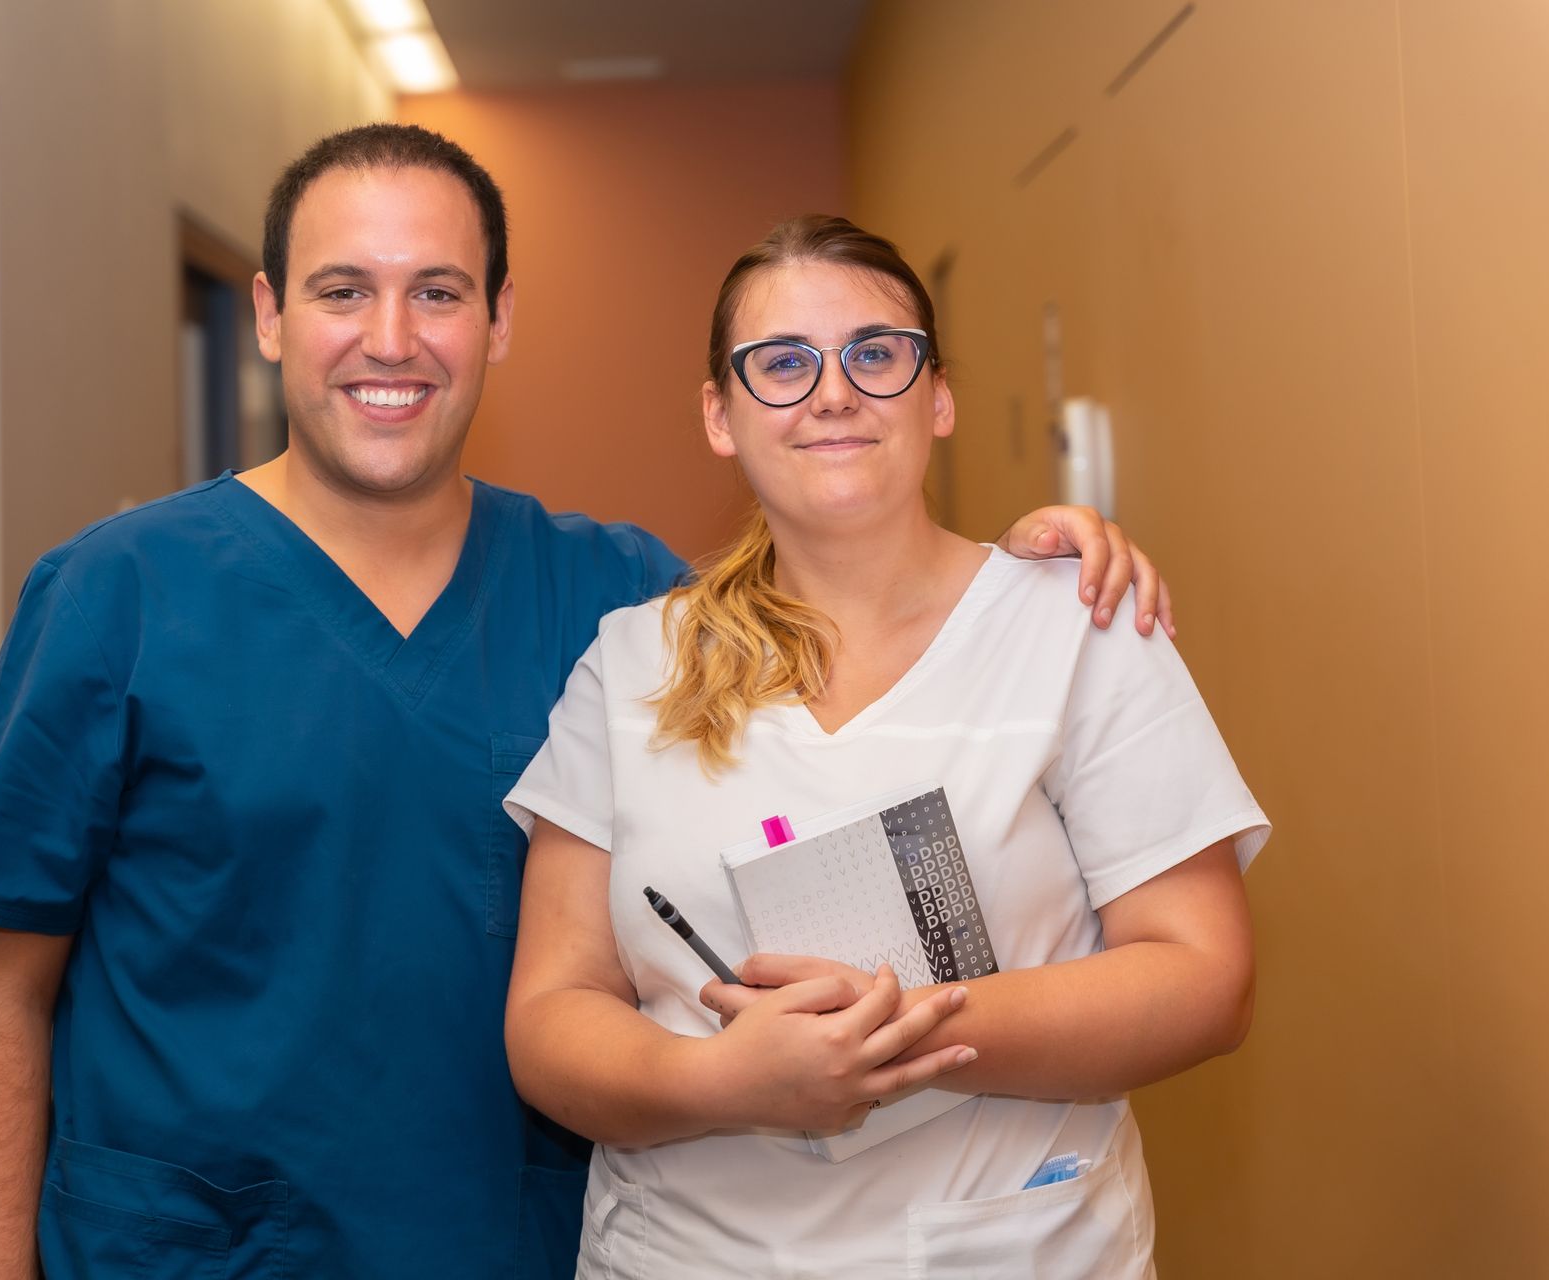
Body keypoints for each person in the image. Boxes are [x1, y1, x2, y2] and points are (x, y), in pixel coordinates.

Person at [0, 126, 1176, 1280]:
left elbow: (865, 649)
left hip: (514, 1239)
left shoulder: (622, 602)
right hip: (198, 1250)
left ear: (500, 319)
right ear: (268, 315)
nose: (392, 337)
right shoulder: (114, 594)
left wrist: (1019, 572)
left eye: (440, 292)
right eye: (342, 289)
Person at [502, 214, 1268, 1278]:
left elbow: (1205, 976)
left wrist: (899, 1030)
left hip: (1010, 1250)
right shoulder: (631, 666)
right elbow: (551, 1012)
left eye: (877, 353)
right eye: (781, 363)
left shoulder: (1075, 626)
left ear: (938, 395)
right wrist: (728, 1080)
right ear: (720, 416)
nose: (832, 392)